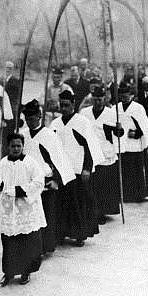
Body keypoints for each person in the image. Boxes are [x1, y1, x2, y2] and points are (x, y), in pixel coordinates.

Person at [21, 99, 76, 254]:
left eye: (32, 119)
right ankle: (31, 246)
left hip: (46, 180)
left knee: (47, 214)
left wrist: (56, 180)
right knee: (30, 215)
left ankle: (46, 246)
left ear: (40, 116)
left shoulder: (49, 135)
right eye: (27, 120)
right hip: (29, 181)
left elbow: (59, 159)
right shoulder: (23, 135)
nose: (30, 123)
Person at [50, 90, 104, 245]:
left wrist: (87, 168)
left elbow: (90, 146)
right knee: (61, 203)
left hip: (78, 168)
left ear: (73, 104)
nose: (64, 108)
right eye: (61, 105)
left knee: (78, 203)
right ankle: (62, 233)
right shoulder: (55, 124)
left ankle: (79, 234)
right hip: (62, 169)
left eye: (67, 105)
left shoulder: (82, 122)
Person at [0, 133, 45, 285]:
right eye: (12, 146)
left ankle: (25, 271)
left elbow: (39, 182)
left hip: (25, 209)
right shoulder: (3, 162)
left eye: (18, 146)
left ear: (23, 146)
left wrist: (19, 191)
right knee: (9, 241)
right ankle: (9, 272)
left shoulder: (30, 162)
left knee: (26, 241)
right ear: (8, 147)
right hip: (9, 209)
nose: (15, 149)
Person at [80, 87, 123, 222]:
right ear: (92, 98)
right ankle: (91, 210)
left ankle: (102, 211)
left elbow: (119, 134)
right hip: (90, 151)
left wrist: (118, 129)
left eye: (100, 99)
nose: (98, 102)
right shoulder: (85, 113)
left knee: (103, 184)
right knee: (91, 184)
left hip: (105, 152)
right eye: (95, 99)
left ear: (105, 98)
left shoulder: (111, 114)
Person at [116, 85, 148, 202]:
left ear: (132, 95)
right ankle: (124, 194)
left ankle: (138, 194)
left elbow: (145, 126)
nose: (123, 98)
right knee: (124, 170)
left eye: (126, 96)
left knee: (135, 169)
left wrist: (138, 133)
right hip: (122, 143)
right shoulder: (116, 108)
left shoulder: (138, 108)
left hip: (135, 142)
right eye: (121, 96)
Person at [2, 61, 21, 153]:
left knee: (9, 132)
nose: (8, 70)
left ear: (13, 70)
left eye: (10, 68)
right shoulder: (1, 80)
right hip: (2, 109)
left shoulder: (15, 81)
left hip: (11, 110)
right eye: (6, 68)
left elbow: (15, 98)